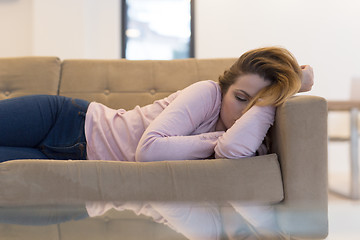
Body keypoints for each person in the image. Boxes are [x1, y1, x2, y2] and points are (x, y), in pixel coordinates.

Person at [0, 47, 314, 238]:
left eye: (258, 104)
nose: (244, 110)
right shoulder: (207, 93)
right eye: (240, 97)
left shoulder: (249, 144)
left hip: (77, 181)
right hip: (70, 122)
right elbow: (149, 150)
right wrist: (218, 138)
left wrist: (276, 97)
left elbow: (233, 151)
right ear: (226, 87)